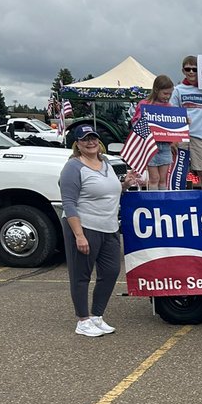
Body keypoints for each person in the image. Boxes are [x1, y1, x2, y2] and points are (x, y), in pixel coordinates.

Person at [59, 124, 140, 336]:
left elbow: (110, 191)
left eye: (93, 137)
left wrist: (125, 184)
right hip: (85, 227)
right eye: (85, 139)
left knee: (111, 271)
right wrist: (79, 235)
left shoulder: (105, 163)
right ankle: (82, 320)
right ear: (77, 144)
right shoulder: (73, 167)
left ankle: (96, 315)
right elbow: (68, 202)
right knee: (81, 275)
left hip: (110, 227)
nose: (91, 142)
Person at [170, 56, 202, 190]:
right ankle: (179, 198)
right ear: (183, 71)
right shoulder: (178, 90)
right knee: (180, 171)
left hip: (201, 135)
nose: (191, 72)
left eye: (195, 69)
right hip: (182, 136)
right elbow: (172, 113)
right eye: (188, 69)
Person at [138, 75, 175, 191]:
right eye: (165, 93)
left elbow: (174, 126)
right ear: (156, 90)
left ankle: (162, 202)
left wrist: (184, 122)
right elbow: (136, 123)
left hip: (165, 146)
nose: (167, 97)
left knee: (163, 179)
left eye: (170, 94)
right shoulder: (144, 104)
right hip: (150, 146)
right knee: (154, 178)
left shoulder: (170, 107)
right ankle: (153, 202)